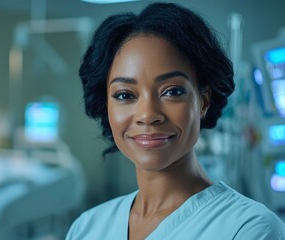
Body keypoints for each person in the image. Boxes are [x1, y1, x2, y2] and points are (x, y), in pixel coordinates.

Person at [66, 2, 285, 240]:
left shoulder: (249, 229)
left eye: (172, 91)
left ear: (203, 101)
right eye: (125, 95)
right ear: (106, 105)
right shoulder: (87, 228)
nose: (148, 115)